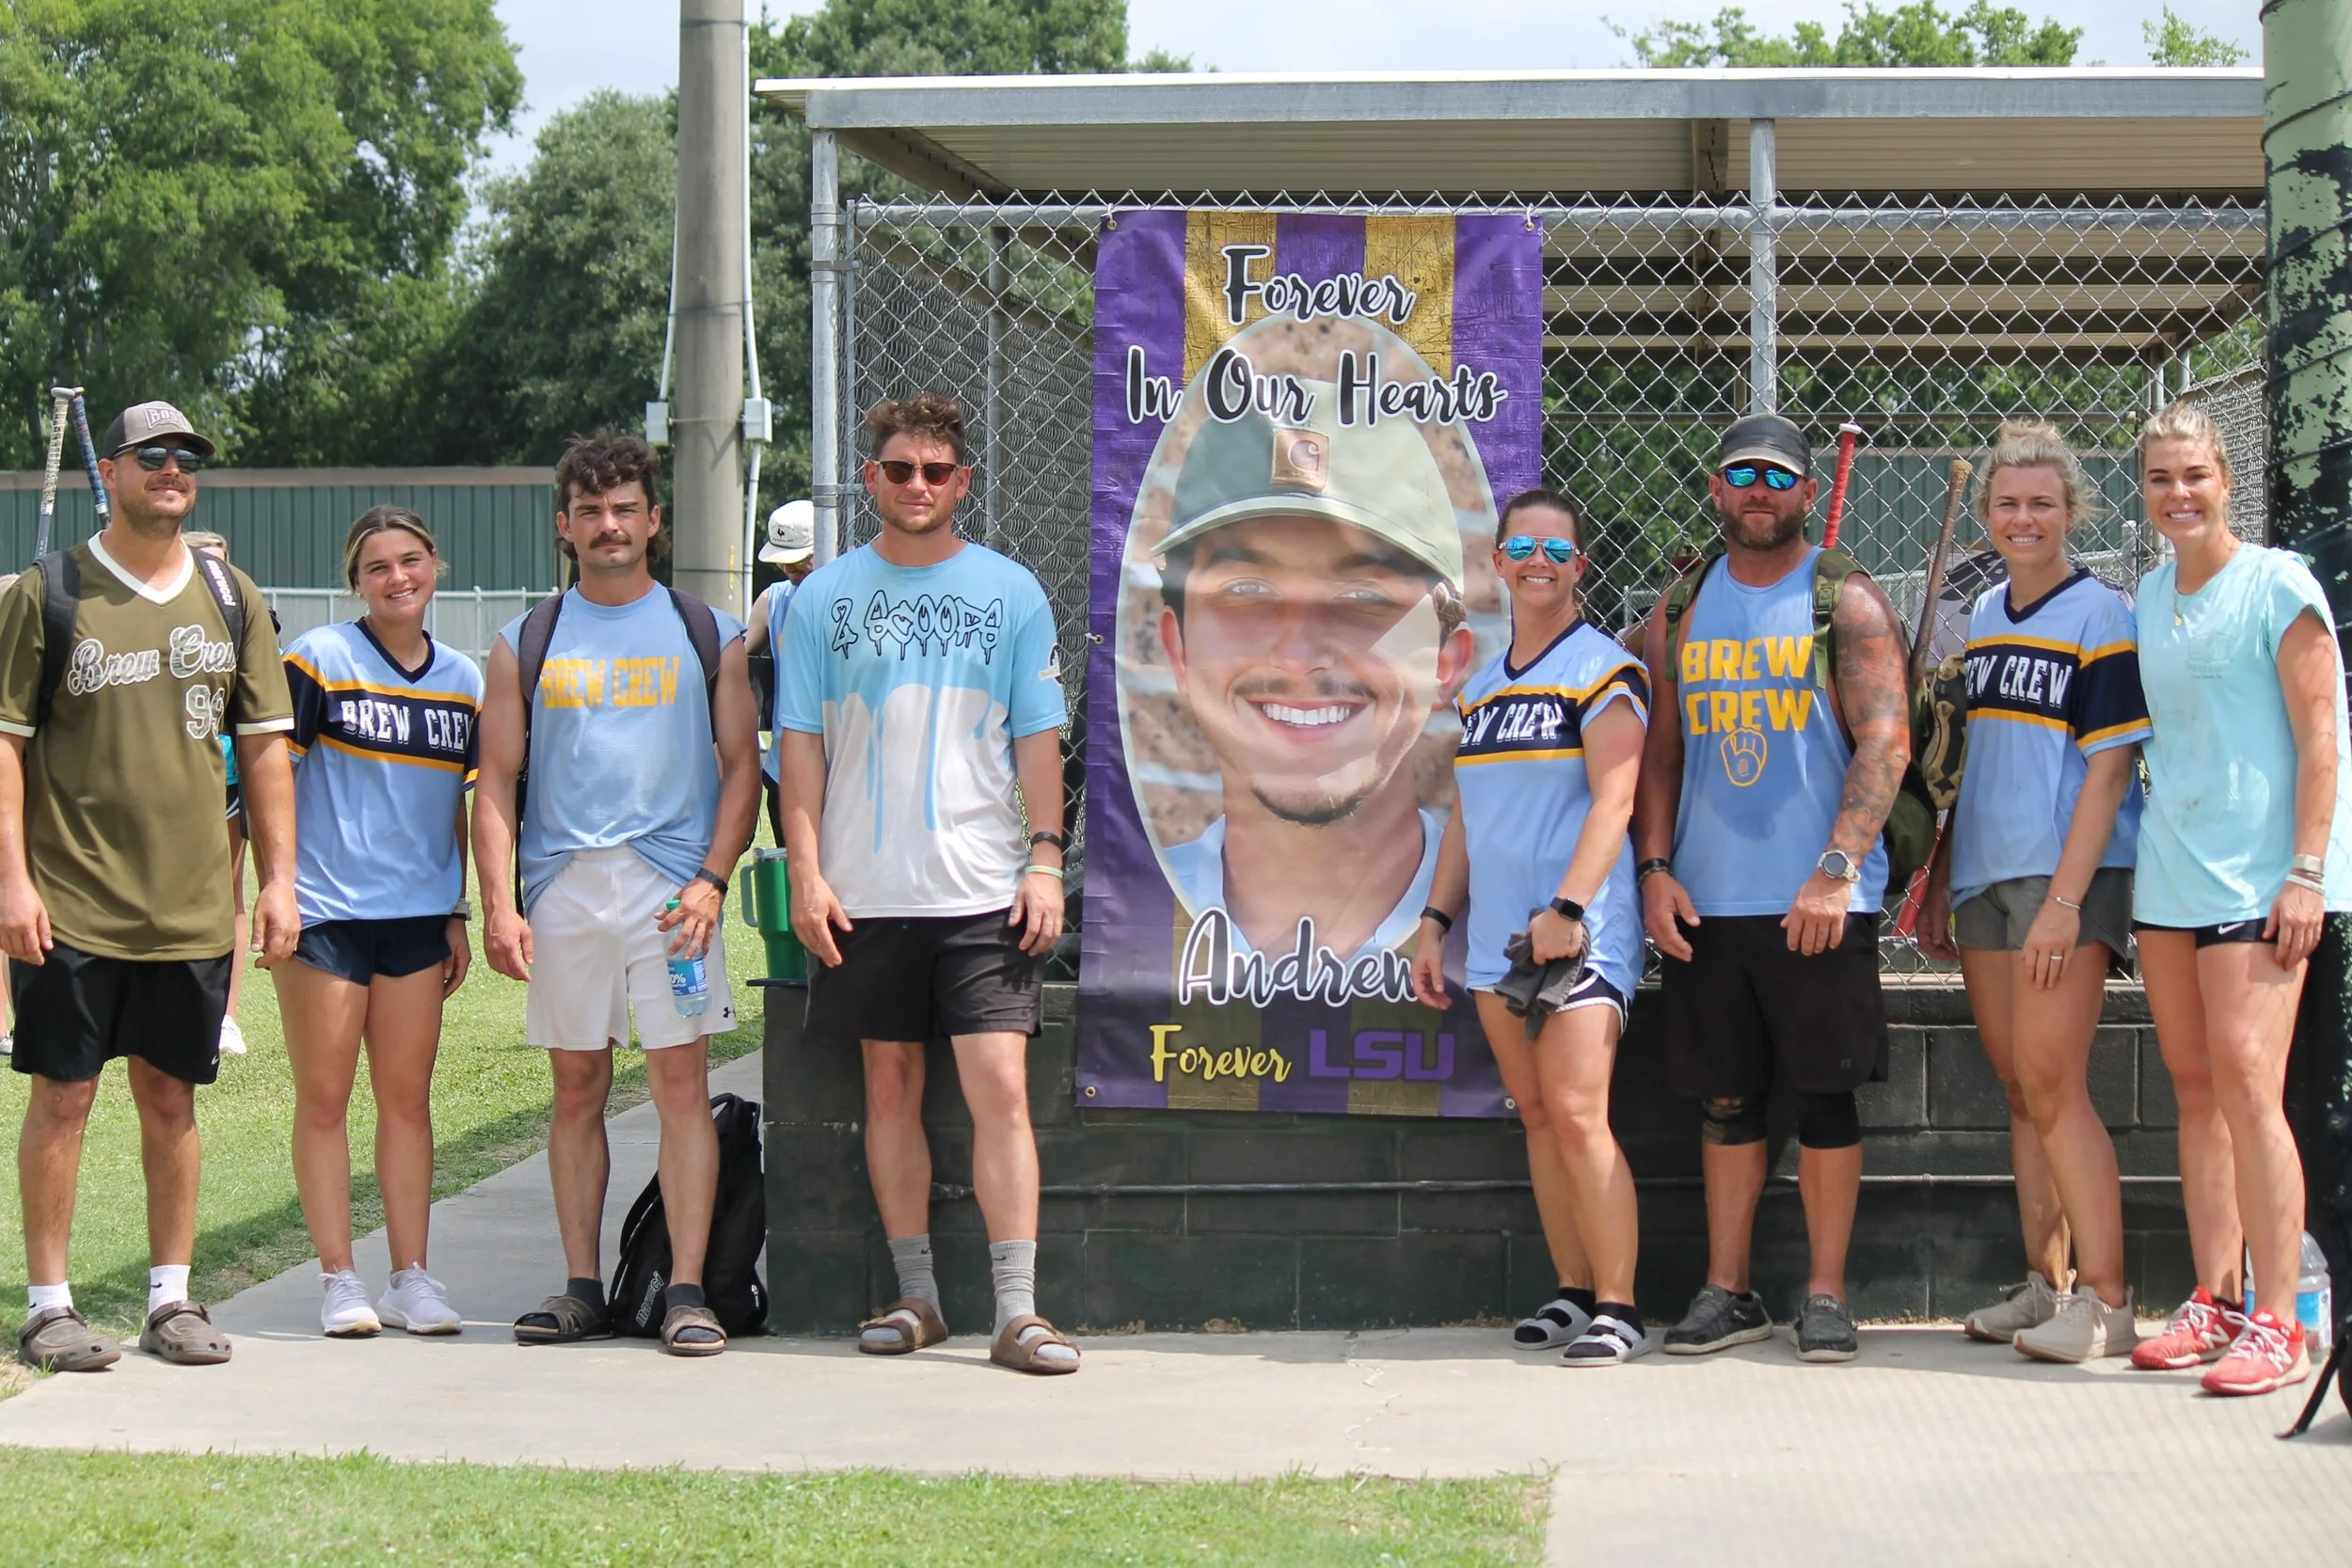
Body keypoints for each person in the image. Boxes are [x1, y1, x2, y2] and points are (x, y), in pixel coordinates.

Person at [778, 393, 1077, 1374]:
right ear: (870, 479)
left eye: (936, 471)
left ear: (963, 482)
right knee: (890, 1085)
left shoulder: (1010, 592)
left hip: (984, 890)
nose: (917, 485)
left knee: (999, 1088)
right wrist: (808, 874)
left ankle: (1018, 1312)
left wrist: (1044, 859)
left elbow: (1041, 740)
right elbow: (802, 748)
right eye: (899, 469)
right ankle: (917, 1297)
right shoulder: (820, 598)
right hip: (865, 892)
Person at [3, 400, 297, 1372]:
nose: (173, 471)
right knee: (64, 1095)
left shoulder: (230, 592)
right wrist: (11, 879)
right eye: (154, 457)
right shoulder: (49, 591)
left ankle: (169, 1300)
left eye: (187, 460)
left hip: (191, 907)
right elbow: (6, 748)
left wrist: (278, 881)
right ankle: (49, 1304)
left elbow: (263, 749)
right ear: (114, 474)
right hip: (73, 896)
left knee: (172, 1097)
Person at [474, 432, 761, 1357]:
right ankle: (581, 1285)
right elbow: (496, 782)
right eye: (591, 511)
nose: (610, 525)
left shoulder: (702, 628)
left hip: (673, 893)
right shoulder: (527, 638)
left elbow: (741, 771)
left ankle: (684, 1288)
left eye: (625, 508)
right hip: (566, 890)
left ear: (654, 519)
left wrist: (712, 881)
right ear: (565, 525)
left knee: (680, 1083)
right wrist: (500, 901)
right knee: (575, 1087)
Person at [1634, 411, 1912, 1364]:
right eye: (1739, 473)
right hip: (1710, 897)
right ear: (1715, 489)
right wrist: (1655, 869)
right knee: (1724, 1102)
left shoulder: (1847, 599)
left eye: (1776, 475)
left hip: (1816, 897)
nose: (1757, 489)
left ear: (1804, 491)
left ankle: (1826, 1294)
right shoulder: (1679, 605)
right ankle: (1728, 1288)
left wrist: (1834, 870)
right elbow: (1658, 754)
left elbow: (1884, 738)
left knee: (1826, 1099)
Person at [2126, 401, 2351, 1397]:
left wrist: (2306, 869)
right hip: (2168, 874)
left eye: (2194, 476)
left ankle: (2278, 1311)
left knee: (2252, 1083)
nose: (2178, 494)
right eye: (2160, 479)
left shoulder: (2277, 584)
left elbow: (2320, 737)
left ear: (2226, 480)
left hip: (2261, 880)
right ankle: (2214, 1297)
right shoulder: (2145, 592)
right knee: (2194, 1086)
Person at [1917, 421, 2150, 1362]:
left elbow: (2107, 771)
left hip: (2064, 877)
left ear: (2070, 512)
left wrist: (2064, 898)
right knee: (2019, 1087)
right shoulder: (1982, 618)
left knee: (2055, 1081)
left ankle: (2109, 1299)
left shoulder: (2103, 613)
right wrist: (1936, 873)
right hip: (1982, 868)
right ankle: (2042, 1281)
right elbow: (1967, 758)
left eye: (2041, 503)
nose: (2023, 517)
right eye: (2007, 503)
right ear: (1987, 512)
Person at [1411, 488, 1651, 1365]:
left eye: (1558, 549)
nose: (1540, 561)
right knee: (1542, 1115)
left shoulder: (1604, 669)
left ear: (1580, 566)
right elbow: (1468, 817)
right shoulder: (1479, 687)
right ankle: (1575, 1288)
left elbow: (1617, 798)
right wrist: (1436, 920)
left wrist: (1570, 911)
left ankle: (1622, 1303)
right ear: (1500, 562)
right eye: (1524, 548)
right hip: (1497, 943)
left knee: (1583, 1112)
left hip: (1578, 937)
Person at [1153, 382, 1476, 961]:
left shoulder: (1500, 905)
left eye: (1363, 594)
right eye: (1247, 590)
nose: (1299, 655)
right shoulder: (1143, 897)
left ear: (1446, 661)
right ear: (1179, 652)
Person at [278, 508, 483, 1338]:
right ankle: (338, 1277)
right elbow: (269, 779)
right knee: (325, 1097)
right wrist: (276, 888)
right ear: (355, 581)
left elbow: (465, 807)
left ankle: (411, 1277)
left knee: (408, 1100)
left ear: (434, 563)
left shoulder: (465, 679)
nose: (397, 577)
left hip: (418, 917)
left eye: (410, 560)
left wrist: (461, 910)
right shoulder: (318, 659)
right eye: (376, 567)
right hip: (326, 912)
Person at [183, 532, 249, 1058]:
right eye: (203, 565)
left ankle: (224, 1016)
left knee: (228, 892)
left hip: (227, 777)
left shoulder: (241, 623)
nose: (214, 576)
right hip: (175, 782)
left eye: (220, 566)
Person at [744, 499, 818, 840]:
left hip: (844, 771)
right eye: (783, 562)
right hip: (785, 769)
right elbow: (738, 669)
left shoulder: (858, 596)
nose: (790, 570)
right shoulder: (772, 601)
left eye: (801, 560)